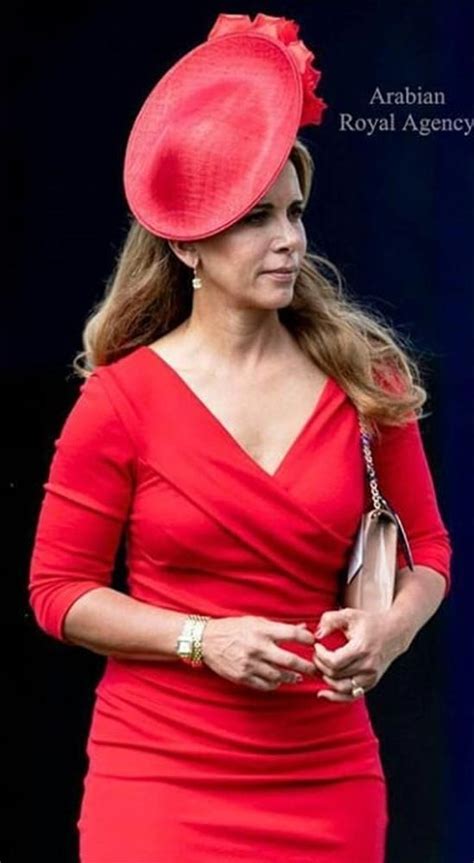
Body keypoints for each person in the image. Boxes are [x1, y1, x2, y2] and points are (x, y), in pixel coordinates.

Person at [28, 12, 452, 863]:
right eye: (256, 218)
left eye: (294, 213)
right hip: (158, 780)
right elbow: (58, 590)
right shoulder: (120, 399)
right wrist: (201, 637)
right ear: (187, 241)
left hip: (327, 775)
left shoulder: (367, 379)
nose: (288, 239)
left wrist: (392, 631)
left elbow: (430, 550)